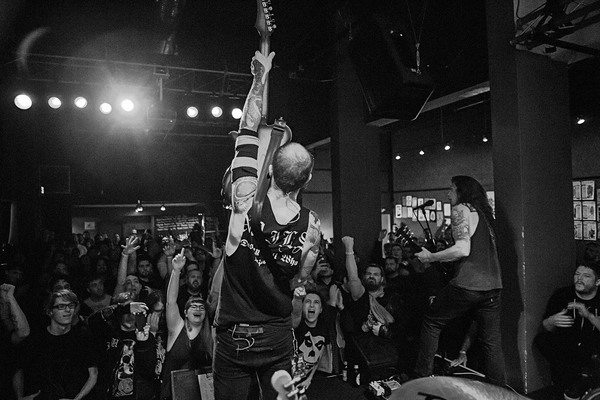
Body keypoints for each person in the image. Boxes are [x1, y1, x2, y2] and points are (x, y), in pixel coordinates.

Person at [212, 50, 321, 400]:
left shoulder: (244, 198)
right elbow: (301, 280)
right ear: (306, 182)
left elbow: (248, 124)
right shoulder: (311, 225)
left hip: (235, 336)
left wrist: (260, 76)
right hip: (277, 335)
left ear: (270, 168)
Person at [412, 175, 506, 386]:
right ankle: (499, 391)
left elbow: (462, 249)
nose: (448, 194)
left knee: (432, 321)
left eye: (451, 189)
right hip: (493, 287)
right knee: (491, 342)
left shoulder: (461, 209)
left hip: (468, 283)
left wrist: (431, 257)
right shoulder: (485, 216)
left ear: (461, 191)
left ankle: (421, 378)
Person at [342, 236, 416, 375]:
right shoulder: (361, 295)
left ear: (382, 278)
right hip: (364, 353)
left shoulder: (393, 297)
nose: (371, 276)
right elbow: (353, 277)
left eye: (375, 274)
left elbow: (404, 326)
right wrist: (349, 249)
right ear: (364, 277)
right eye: (368, 274)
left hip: (389, 354)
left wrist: (385, 330)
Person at [14, 289, 99, 400]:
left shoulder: (83, 337)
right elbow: (18, 369)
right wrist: (20, 397)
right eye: (61, 306)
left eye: (71, 306)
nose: (68, 310)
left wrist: (77, 399)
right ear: (50, 311)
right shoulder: (36, 339)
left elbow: (93, 374)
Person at [534, 262, 600, 400]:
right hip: (568, 349)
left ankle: (579, 383)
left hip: (592, 347)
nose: (579, 279)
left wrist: (589, 316)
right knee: (542, 340)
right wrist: (551, 321)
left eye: (586, 276)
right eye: (577, 274)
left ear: (597, 282)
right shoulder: (562, 295)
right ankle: (575, 382)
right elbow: (545, 327)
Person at [160, 250, 212, 400]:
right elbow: (171, 301)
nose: (197, 309)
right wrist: (176, 271)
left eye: (201, 307)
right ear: (185, 312)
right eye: (193, 306)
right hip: (173, 394)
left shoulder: (210, 334)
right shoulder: (177, 329)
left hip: (203, 393)